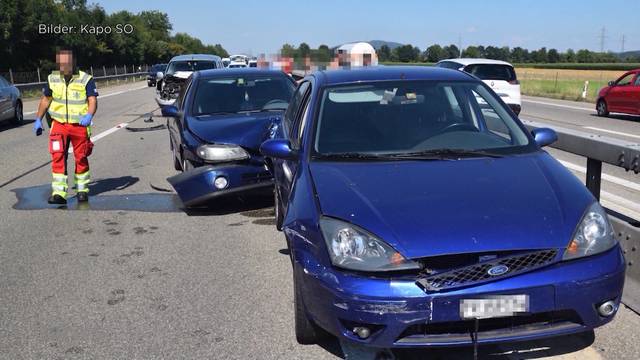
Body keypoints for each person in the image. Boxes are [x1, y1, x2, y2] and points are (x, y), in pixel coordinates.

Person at [33, 49, 99, 204]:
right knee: (58, 157)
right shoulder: (53, 78)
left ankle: (82, 190)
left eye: (67, 63)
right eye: (61, 64)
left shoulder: (86, 79)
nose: (64, 67)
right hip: (59, 125)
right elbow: (45, 100)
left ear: (74, 62)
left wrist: (89, 115)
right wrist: (38, 119)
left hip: (79, 126)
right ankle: (59, 194)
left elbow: (92, 100)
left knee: (81, 157)